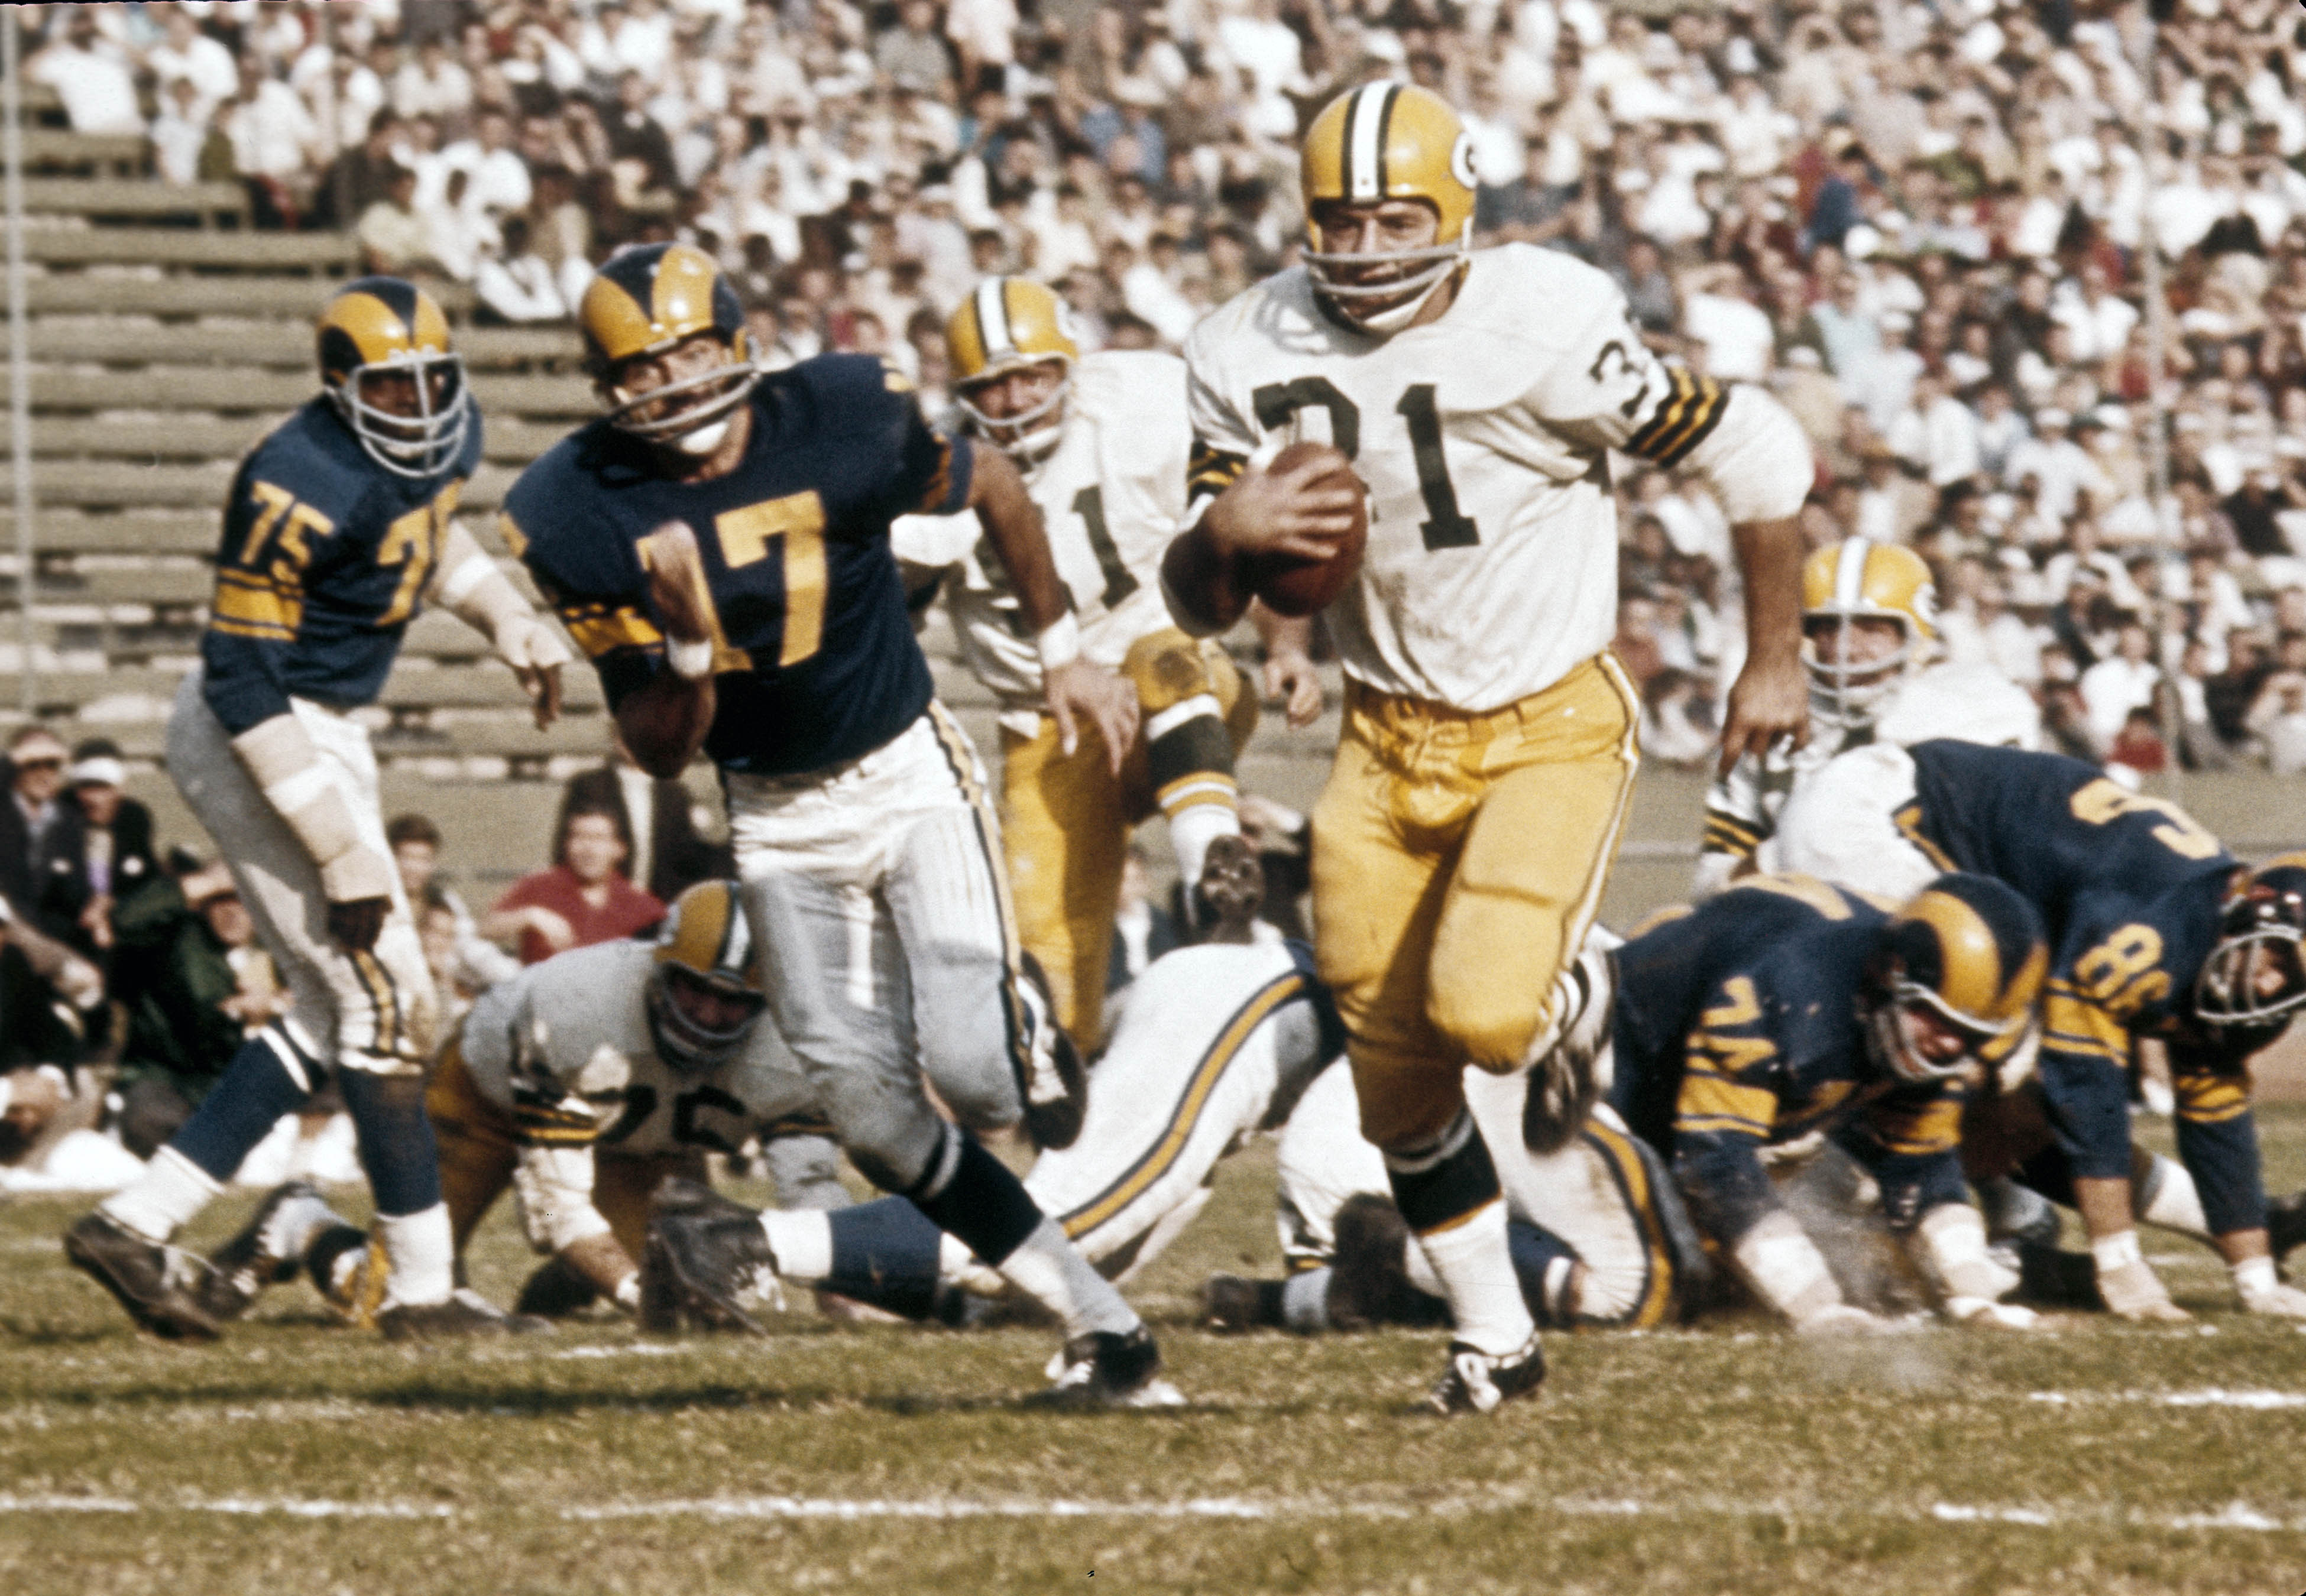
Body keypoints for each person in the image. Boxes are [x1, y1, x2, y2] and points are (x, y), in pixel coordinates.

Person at [1160, 82, 1813, 1413]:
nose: (1365, 249)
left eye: (1396, 217)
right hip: (1382, 744)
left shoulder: (1545, 320)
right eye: (1338, 222)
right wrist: (1221, 538)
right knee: (1398, 1083)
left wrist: (1777, 650)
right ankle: (1497, 1346)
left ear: (1456, 213)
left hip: (1548, 727)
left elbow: (1755, 445)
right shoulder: (1242, 345)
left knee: (1488, 1013)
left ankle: (1585, 1001)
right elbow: (1198, 602)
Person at [505, 242, 1177, 1407]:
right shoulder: (577, 509)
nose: (672, 382)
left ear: (738, 343)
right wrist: (687, 647)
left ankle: (1013, 1006)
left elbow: (999, 489)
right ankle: (1103, 1330)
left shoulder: (841, 414)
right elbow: (660, 748)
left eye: (693, 352)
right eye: (642, 367)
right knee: (872, 1116)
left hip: (907, 774)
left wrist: (1062, 653)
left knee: (976, 1074)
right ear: (606, 388)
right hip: (773, 817)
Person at [64, 277, 572, 1344]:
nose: (421, 403)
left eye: (435, 379)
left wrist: (507, 623)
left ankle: (134, 1222)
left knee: (335, 1005)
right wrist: (339, 846)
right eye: (392, 387)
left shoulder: (431, 442)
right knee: (388, 1007)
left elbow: (432, 542)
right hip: (263, 730)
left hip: (327, 723)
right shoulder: (295, 480)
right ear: (342, 389)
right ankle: (421, 1295)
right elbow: (241, 679)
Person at [1226, 871, 2049, 1339]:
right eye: (1938, 1023)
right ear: (1888, 978)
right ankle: (1400, 1250)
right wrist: (1817, 1310)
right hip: (1569, 1081)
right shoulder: (1790, 990)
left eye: (1970, 1033)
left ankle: (1307, 1298)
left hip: (1647, 1116)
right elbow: (1716, 1162)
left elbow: (1921, 1159)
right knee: (1642, 1289)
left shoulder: (1898, 1002)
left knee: (1863, 1266)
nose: (1950, 1047)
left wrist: (1973, 1291)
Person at [644, 840, 1340, 1328]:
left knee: (1045, 1291)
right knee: (1043, 1231)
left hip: (1257, 1005)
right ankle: (737, 1241)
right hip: (1260, 1005)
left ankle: (913, 1286)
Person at [1771, 738, 2306, 1321]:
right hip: (1879, 813)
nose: (2275, 988)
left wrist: (2254, 1279)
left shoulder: (2227, 959)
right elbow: (2086, 1090)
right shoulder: (2148, 935)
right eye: (2278, 962)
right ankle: (1823, 1192)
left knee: (2003, 1088)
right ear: (2245, 919)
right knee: (1982, 1060)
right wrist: (2119, 1259)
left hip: (1941, 840)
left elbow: (2215, 1114)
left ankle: (1884, 1209)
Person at [892, 276, 1281, 1051]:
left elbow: (1245, 525)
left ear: (1071, 363)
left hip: (1175, 688)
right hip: (1050, 729)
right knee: (1052, 981)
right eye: (991, 386)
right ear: (962, 394)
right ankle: (1080, 1148)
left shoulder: (1144, 398)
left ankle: (1211, 864)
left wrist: (1288, 646)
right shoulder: (938, 465)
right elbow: (896, 609)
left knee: (1167, 656)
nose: (1013, 400)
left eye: (1031, 376)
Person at [192, 881, 844, 1329]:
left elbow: (813, 1192)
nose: (707, 1015)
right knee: (396, 1300)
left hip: (643, 1138)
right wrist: (640, 1293)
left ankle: (575, 1288)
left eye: (733, 1002)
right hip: (488, 1099)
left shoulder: (793, 1048)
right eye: (693, 989)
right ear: (658, 969)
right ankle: (299, 1222)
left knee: (703, 1285)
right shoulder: (579, 1012)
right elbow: (557, 1209)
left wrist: (856, 1299)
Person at [1696, 537, 2039, 898]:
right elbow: (1712, 887)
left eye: (1871, 628)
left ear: (1915, 633)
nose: (1846, 648)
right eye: (1828, 628)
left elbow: (2016, 858)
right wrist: (1786, 856)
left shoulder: (1973, 707)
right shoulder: (1770, 729)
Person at [554, 734, 732, 904]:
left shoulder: (674, 794)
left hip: (658, 905)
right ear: (616, 738)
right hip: (602, 905)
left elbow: (687, 856)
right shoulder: (589, 786)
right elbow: (566, 848)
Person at [481, 802, 666, 964]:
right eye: (579, 837)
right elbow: (485, 928)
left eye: (598, 839)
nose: (588, 849)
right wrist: (530, 916)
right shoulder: (540, 885)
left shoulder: (640, 904)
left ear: (619, 849)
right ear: (567, 845)